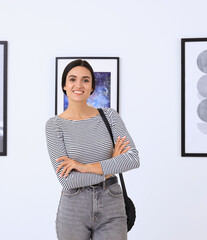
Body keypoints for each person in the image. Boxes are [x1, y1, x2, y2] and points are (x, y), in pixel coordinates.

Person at [45, 59, 140, 240]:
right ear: (64, 85)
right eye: (72, 79)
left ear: (92, 87)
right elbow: (67, 181)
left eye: (85, 80)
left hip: (111, 202)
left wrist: (84, 167)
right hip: (73, 206)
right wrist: (111, 166)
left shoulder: (110, 117)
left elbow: (132, 159)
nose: (78, 84)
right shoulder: (54, 125)